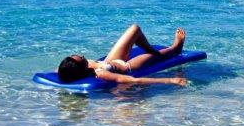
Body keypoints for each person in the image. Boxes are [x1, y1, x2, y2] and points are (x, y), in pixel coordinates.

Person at [57, 24, 187, 86]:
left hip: (110, 60)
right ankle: (176, 48)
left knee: (134, 29)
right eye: (82, 59)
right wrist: (170, 80)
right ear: (82, 68)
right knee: (155, 56)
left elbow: (60, 71)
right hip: (127, 66)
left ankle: (151, 49)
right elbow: (133, 80)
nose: (83, 56)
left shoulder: (67, 68)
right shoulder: (100, 74)